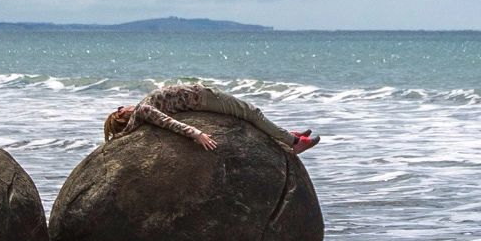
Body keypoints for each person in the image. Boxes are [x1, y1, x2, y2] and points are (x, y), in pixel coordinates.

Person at [104, 83, 321, 154]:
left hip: (200, 99)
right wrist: (196, 133)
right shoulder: (143, 111)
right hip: (203, 99)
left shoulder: (140, 116)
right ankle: (294, 143)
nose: (125, 105)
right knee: (252, 113)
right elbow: (169, 123)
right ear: (123, 114)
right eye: (121, 109)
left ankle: (285, 136)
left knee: (249, 116)